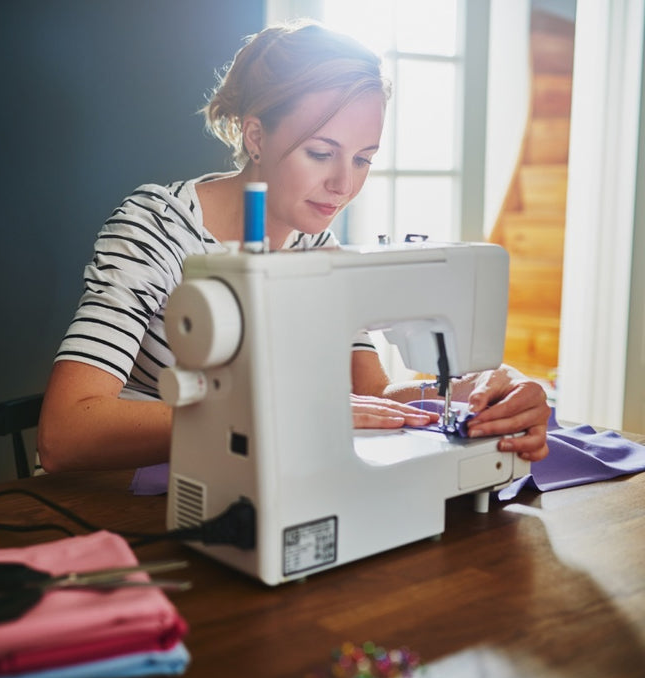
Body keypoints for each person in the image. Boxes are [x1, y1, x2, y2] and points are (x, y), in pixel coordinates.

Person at [38, 19, 550, 472]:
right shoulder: (157, 229)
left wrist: (482, 388)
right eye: (322, 152)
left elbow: (371, 394)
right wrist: (265, 417)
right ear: (255, 136)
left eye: (363, 159)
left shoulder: (315, 244)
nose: (344, 185)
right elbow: (66, 432)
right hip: (132, 505)